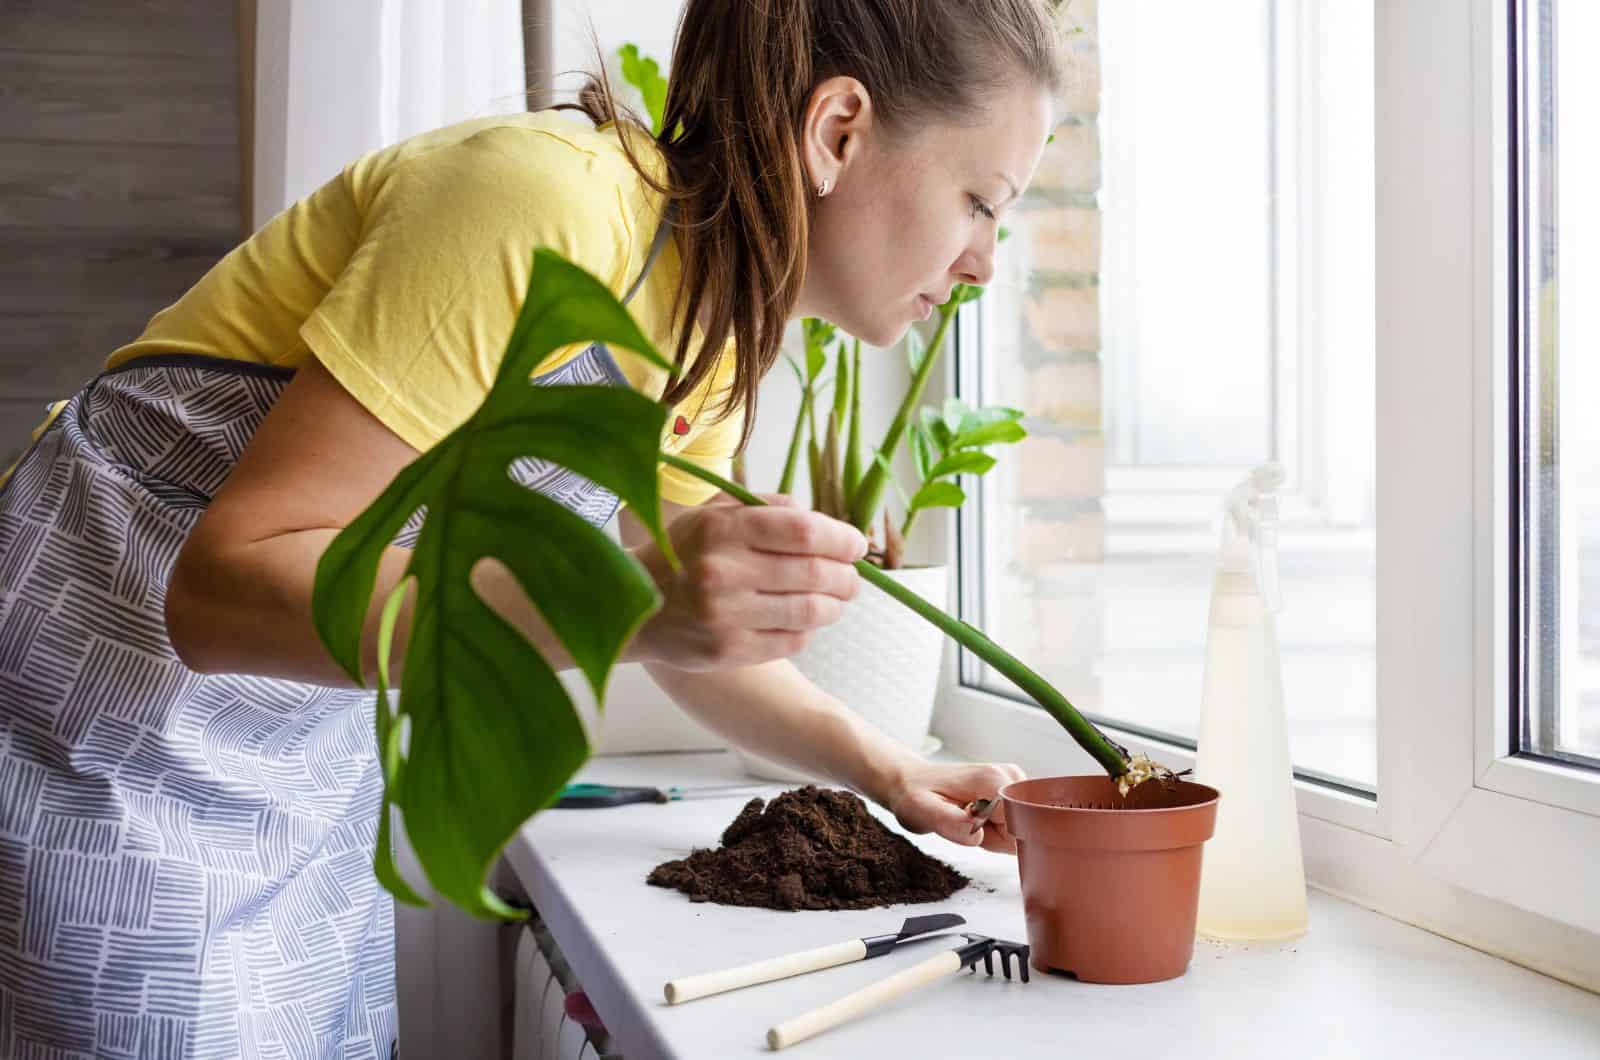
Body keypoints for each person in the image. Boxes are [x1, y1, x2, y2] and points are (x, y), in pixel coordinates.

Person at [0, 0, 1061, 1054]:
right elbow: (221, 594)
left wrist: (885, 770)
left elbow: (680, 633)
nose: (984, 262)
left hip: (292, 760)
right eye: (979, 201)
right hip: (91, 735)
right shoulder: (536, 202)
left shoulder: (716, 326)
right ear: (838, 130)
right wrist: (626, 605)